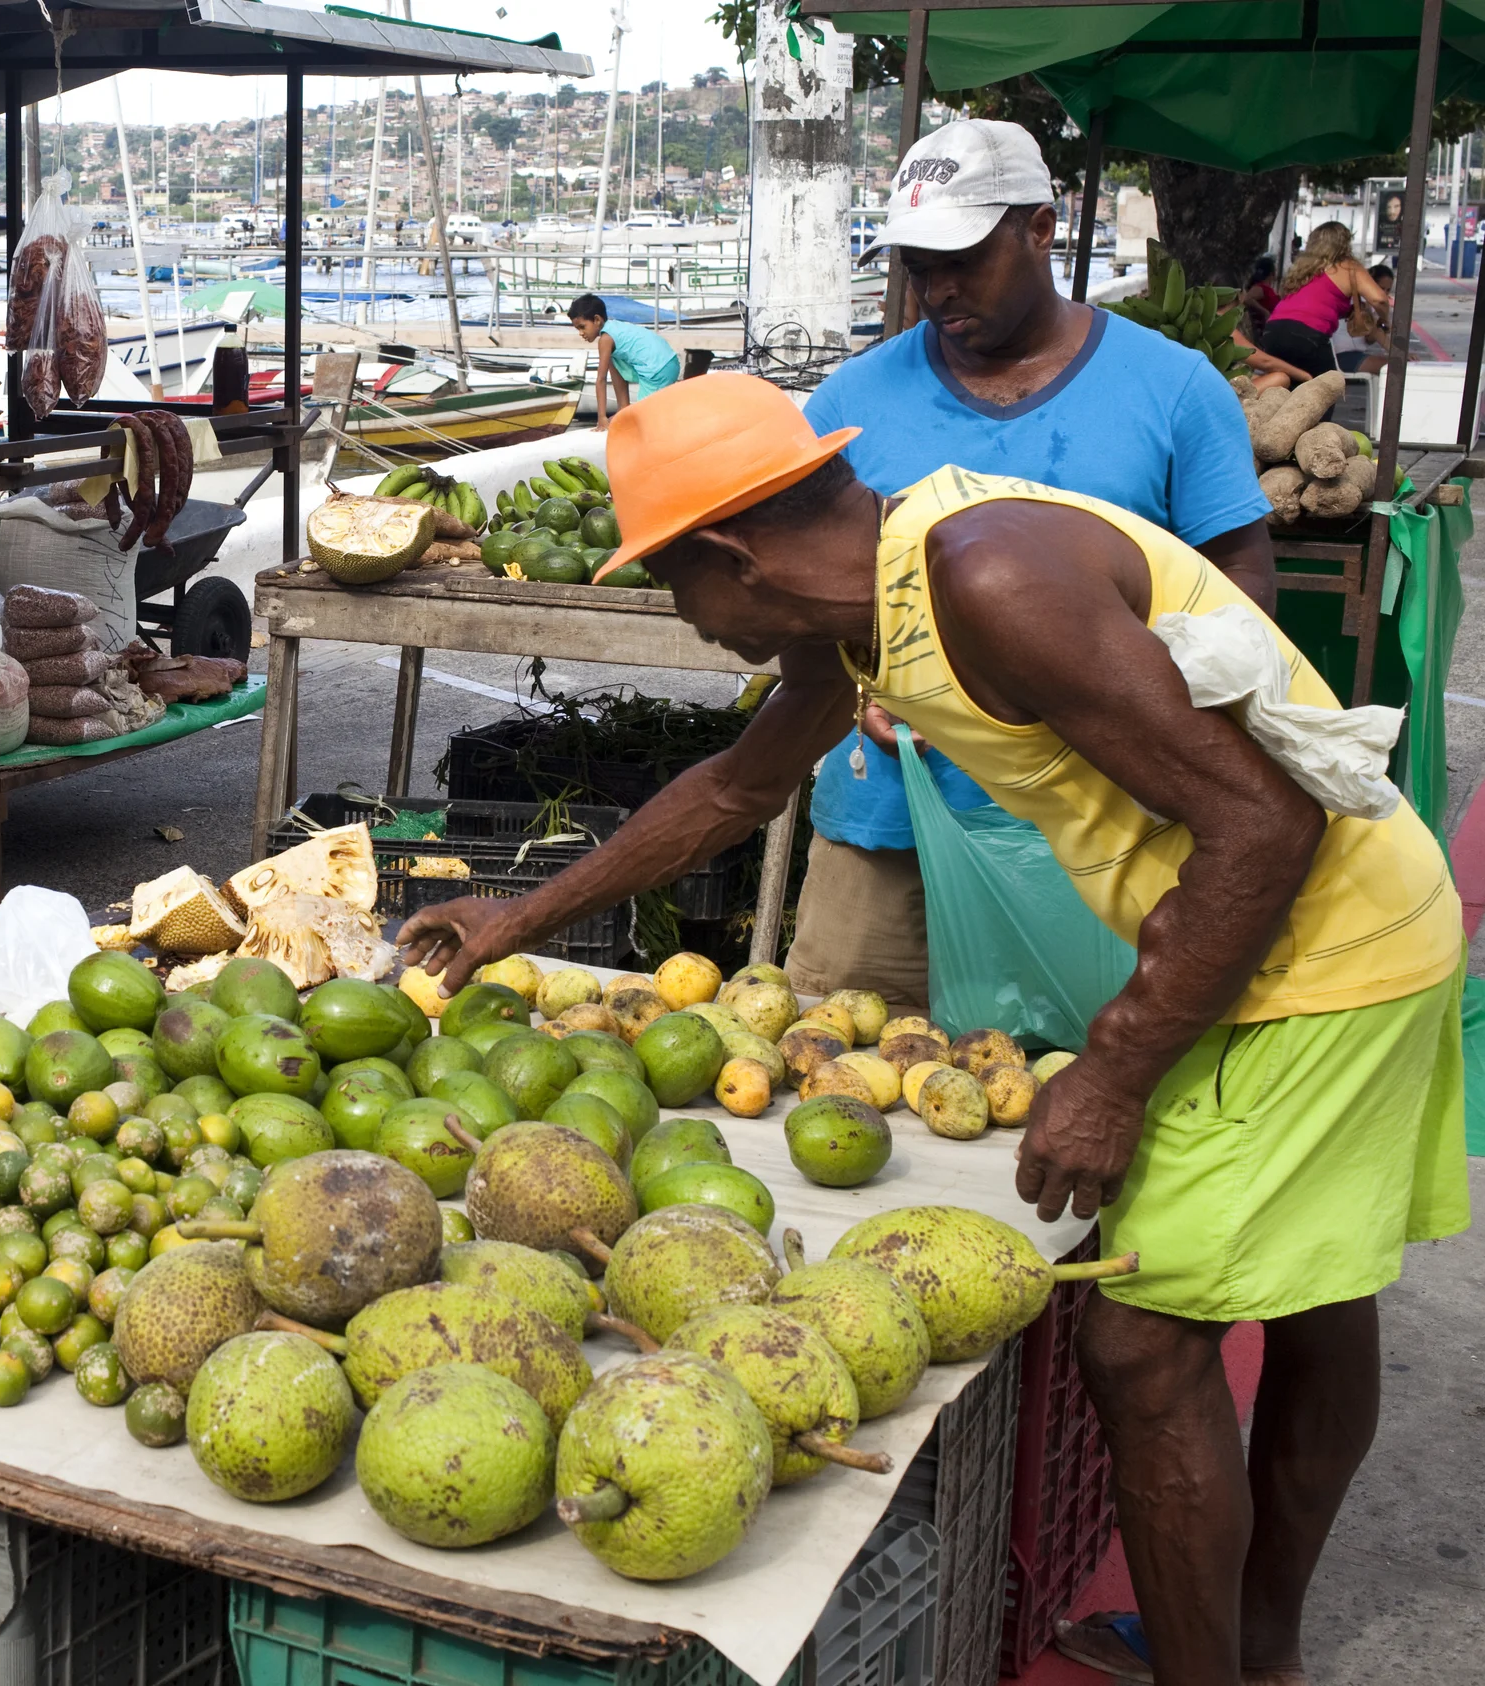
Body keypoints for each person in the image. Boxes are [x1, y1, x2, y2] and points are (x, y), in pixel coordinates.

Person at [403, 373, 1468, 1686]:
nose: (683, 619)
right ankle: (1256, 1649)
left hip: (1317, 950)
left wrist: (1119, 1068)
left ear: (735, 553)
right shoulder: (867, 603)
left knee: (1142, 1341)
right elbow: (738, 785)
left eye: (674, 585)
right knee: (1314, 1294)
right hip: (1301, 928)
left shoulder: (991, 579)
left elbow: (1265, 826)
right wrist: (523, 916)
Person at [781, 117, 1275, 1008]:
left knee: (1081, 1091)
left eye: (962, 259)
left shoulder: (1174, 391)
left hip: (1107, 838)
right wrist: (861, 693)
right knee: (840, 1079)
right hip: (891, 821)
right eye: (916, 266)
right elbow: (806, 598)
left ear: (1040, 228)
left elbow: (1242, 585)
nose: (937, 290)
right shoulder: (849, 401)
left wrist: (1143, 700)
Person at [1257, 221, 1393, 380]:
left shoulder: (1303, 270)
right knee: (1326, 390)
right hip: (1308, 335)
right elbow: (1380, 300)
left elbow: (1309, 305)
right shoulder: (1348, 266)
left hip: (1274, 331)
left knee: (1287, 389)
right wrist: (1384, 319)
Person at [570, 293, 680, 429]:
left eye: (582, 327)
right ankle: (624, 407)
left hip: (658, 369)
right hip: (669, 362)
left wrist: (601, 418)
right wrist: (622, 407)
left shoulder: (606, 339)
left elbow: (601, 379)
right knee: (612, 360)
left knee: (646, 418)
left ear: (597, 320)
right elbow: (615, 371)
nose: (580, 333)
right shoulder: (614, 328)